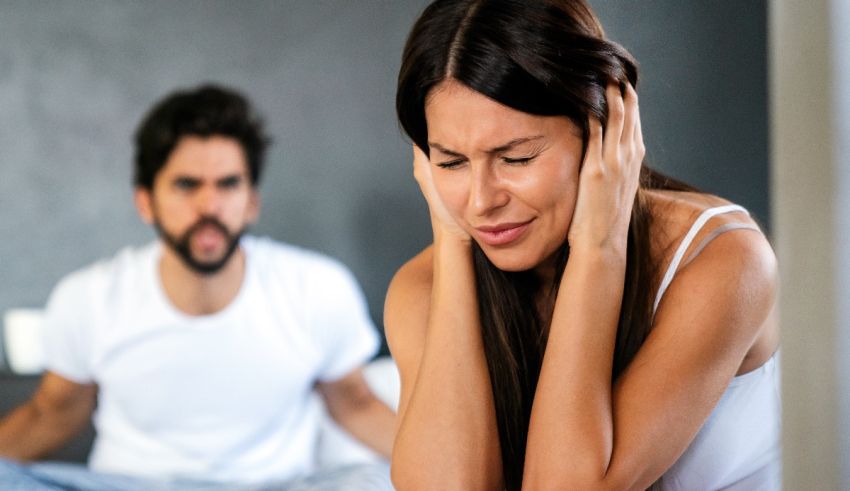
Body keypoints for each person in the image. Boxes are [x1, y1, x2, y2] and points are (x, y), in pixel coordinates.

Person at [385, 1, 780, 490]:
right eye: (450, 163)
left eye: (516, 157)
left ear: (606, 130)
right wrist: (450, 239)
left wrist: (598, 246)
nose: (481, 201)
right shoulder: (422, 286)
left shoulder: (723, 260)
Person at [0, 84, 395, 490]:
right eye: (187, 185)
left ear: (252, 202)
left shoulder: (316, 287)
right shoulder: (89, 297)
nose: (210, 206)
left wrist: (458, 470)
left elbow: (356, 404)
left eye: (228, 184)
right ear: (145, 202)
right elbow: (51, 415)